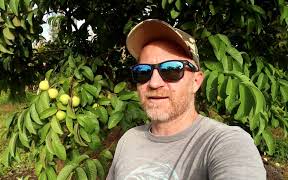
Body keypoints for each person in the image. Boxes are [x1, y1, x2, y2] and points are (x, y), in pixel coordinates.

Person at [106, 19, 266, 180]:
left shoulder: (226, 143)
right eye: (143, 71)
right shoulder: (128, 140)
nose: (154, 83)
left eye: (171, 70)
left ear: (196, 82)